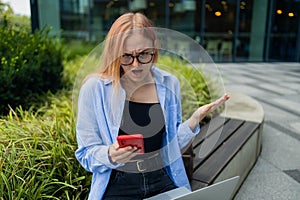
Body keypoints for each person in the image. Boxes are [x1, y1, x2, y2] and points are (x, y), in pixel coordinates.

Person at [75, 12, 230, 200]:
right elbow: (85, 154)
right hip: (118, 183)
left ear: (154, 50)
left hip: (161, 177)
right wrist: (110, 154)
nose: (135, 65)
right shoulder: (95, 88)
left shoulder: (169, 83)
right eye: (126, 56)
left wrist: (193, 121)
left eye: (143, 54)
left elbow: (170, 147)